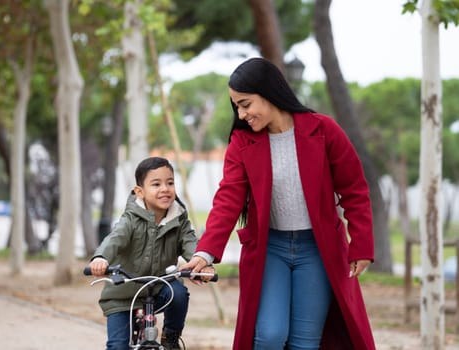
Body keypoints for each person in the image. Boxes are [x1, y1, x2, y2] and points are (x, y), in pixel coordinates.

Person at [179, 57, 376, 350]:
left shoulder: (324, 130)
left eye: (245, 104)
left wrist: (361, 244)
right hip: (270, 250)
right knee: (269, 335)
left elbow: (354, 190)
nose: (242, 114)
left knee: (305, 343)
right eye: (237, 107)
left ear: (268, 91)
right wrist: (206, 252)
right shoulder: (242, 142)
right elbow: (228, 198)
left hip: (318, 251)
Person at [89, 156, 209, 350]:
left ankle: (170, 338)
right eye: (156, 184)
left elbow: (190, 243)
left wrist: (201, 262)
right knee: (118, 346)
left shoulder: (179, 220)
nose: (165, 188)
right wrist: (101, 258)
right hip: (123, 294)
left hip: (159, 287)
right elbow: (115, 239)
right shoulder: (130, 219)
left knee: (178, 293)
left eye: (170, 183)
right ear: (140, 192)